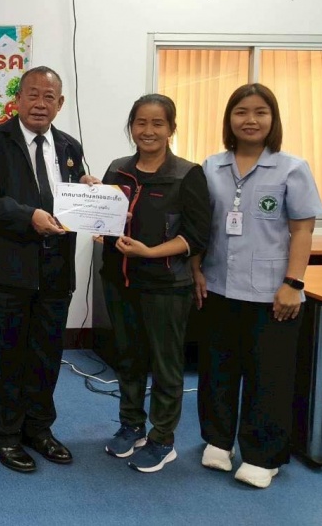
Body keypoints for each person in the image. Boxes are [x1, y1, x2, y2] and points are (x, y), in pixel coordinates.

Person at [0, 66, 97, 473]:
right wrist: (29, 216)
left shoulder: (70, 146)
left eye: (49, 97)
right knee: (3, 354)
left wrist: (91, 192)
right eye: (33, 95)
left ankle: (38, 428)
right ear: (18, 100)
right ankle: (4, 434)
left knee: (45, 354)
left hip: (56, 270)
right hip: (6, 268)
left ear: (60, 103)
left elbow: (73, 200)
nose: (40, 103)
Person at [193, 83, 322, 488]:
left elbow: (302, 231)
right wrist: (196, 269)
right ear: (229, 118)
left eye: (260, 112)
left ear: (273, 118)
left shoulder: (292, 168)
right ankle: (217, 440)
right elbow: (200, 225)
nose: (250, 120)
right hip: (218, 286)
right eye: (241, 112)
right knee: (217, 370)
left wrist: (293, 283)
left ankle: (264, 455)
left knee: (269, 376)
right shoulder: (212, 166)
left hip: (272, 292)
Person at [99, 94, 211, 473]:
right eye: (141, 123)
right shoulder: (117, 170)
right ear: (131, 127)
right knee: (128, 358)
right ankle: (131, 425)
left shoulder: (187, 174)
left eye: (157, 123)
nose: (148, 131)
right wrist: (100, 222)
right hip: (120, 281)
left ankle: (162, 438)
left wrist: (149, 252)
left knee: (166, 364)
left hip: (166, 284)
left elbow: (196, 235)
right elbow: (105, 217)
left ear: (171, 129)